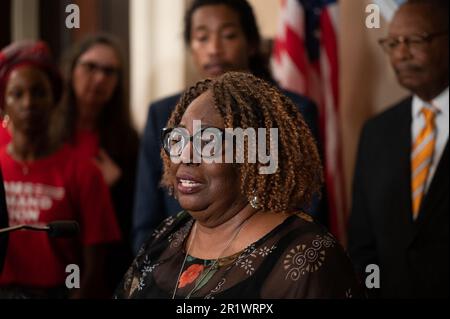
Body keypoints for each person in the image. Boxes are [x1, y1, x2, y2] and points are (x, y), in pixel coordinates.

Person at [115, 72, 361, 299]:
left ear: (252, 155)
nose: (185, 155)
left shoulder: (306, 258)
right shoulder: (168, 233)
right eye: (179, 138)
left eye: (208, 141)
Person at [132, 0, 322, 254]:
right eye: (201, 38)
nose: (214, 49)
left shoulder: (289, 113)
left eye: (228, 35)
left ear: (251, 43)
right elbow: (146, 222)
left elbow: (306, 201)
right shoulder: (162, 114)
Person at [0, 40, 121, 298]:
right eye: (17, 94)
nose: (28, 103)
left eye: (39, 92)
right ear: (4, 103)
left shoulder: (84, 172)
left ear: (54, 98)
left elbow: (95, 268)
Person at [348, 0, 448, 298]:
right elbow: (362, 242)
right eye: (393, 43)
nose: (401, 54)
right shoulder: (376, 132)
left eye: (416, 40)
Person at [60, 34, 139, 293]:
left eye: (109, 71)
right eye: (90, 67)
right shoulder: (45, 132)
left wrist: (119, 185)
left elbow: (142, 218)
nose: (99, 78)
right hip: (50, 262)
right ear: (72, 69)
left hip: (106, 272)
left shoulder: (128, 142)